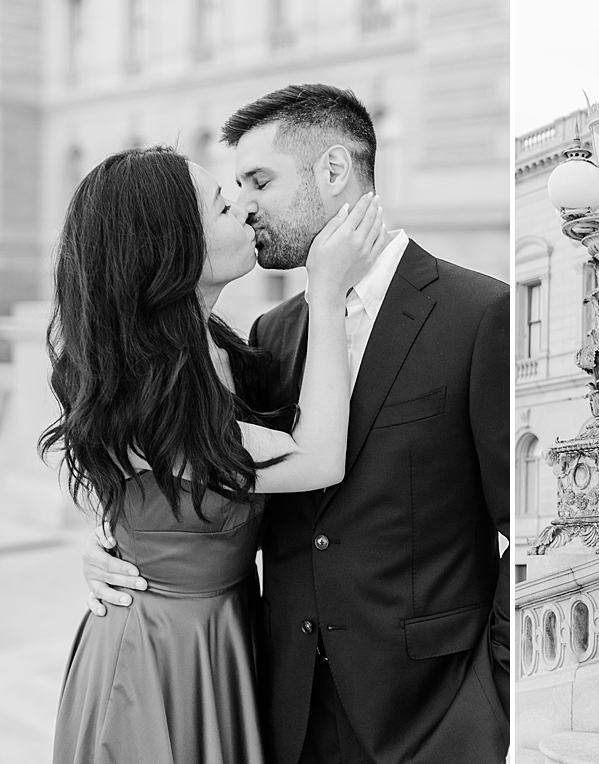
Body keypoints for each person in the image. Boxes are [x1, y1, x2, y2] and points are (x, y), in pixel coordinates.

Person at [81, 84, 510, 764]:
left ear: (334, 172)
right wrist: (122, 541)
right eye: (230, 194)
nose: (244, 204)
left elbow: (531, 532)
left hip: (431, 716)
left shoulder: (479, 314)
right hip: (271, 705)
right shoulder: (270, 337)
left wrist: (492, 703)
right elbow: (186, 467)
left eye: (257, 182)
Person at [43, 146, 386, 763]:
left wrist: (117, 535)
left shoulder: (219, 347)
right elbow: (317, 460)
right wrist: (327, 292)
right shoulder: (149, 386)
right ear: (175, 251)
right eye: (224, 206)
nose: (247, 211)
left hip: (222, 636)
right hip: (156, 656)